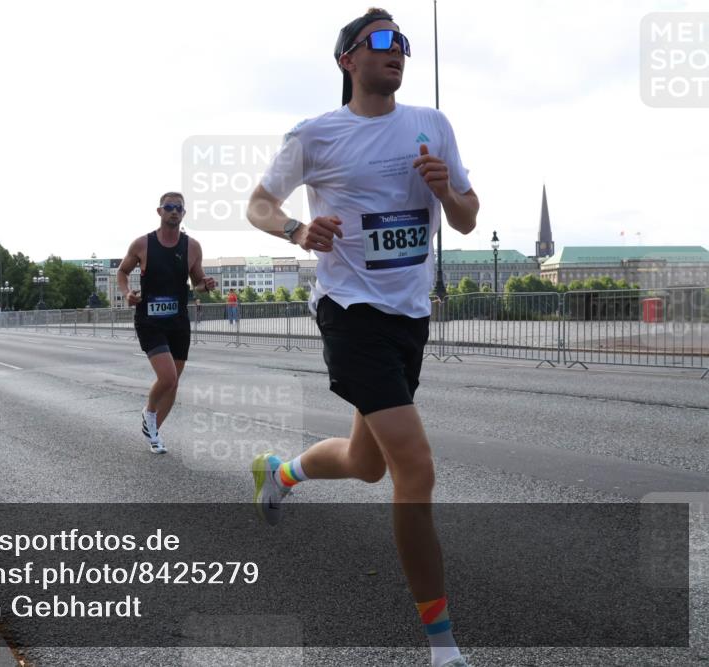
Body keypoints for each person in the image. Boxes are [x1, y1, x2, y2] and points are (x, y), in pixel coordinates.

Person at [246, 9, 479, 667]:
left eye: (402, 41)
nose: (395, 49)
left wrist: (446, 192)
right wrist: (296, 230)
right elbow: (258, 203)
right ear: (347, 59)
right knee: (415, 466)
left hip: (409, 318)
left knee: (367, 462)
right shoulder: (317, 134)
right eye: (380, 40)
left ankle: (281, 473)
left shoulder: (432, 125)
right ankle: (443, 647)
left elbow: (467, 218)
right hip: (350, 314)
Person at [117, 192, 216, 454]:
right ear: (159, 211)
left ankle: (154, 433)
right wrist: (127, 293)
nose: (174, 211)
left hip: (178, 322)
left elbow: (197, 284)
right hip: (150, 320)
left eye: (179, 208)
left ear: (184, 213)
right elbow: (122, 271)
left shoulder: (192, 247)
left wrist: (206, 285)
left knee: (173, 383)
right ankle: (149, 411)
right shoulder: (143, 244)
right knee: (167, 377)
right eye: (169, 207)